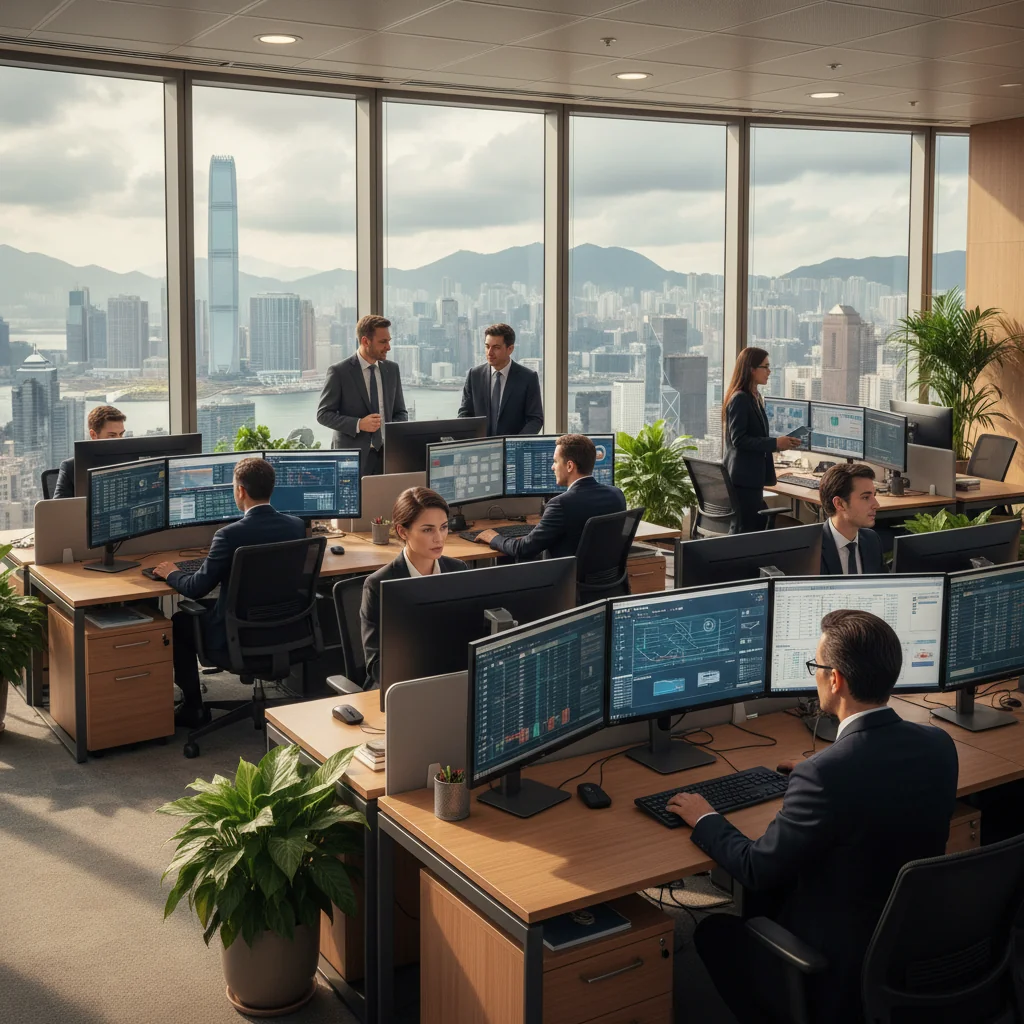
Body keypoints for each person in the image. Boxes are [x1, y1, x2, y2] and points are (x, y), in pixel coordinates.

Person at [668, 609, 958, 1024]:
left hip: (836, 971)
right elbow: (873, 777)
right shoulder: (938, 743)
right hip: (910, 948)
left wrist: (705, 817)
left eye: (817, 667)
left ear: (835, 679)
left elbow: (755, 867)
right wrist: (825, 765)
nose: (815, 676)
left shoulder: (826, 774)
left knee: (713, 931)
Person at [151, 457, 305, 727]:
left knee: (180, 621)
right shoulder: (295, 526)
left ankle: (193, 708)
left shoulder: (229, 535)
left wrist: (171, 572)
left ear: (240, 491)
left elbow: (197, 588)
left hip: (238, 637)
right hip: (286, 631)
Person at [360, 487, 468, 690]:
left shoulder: (457, 570)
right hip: (401, 687)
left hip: (451, 680)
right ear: (402, 531)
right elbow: (376, 666)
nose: (439, 538)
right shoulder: (378, 586)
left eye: (443, 527)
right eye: (428, 530)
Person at [471, 433, 625, 560]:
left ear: (570, 466)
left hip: (567, 587)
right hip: (608, 584)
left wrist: (494, 537)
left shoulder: (561, 505)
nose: (552, 467)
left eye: (555, 461)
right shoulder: (617, 495)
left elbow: (523, 549)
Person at [316, 314, 408, 475]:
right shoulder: (339, 372)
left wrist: (392, 434)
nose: (388, 347)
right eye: (383, 342)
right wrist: (358, 424)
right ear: (366, 341)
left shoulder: (392, 369)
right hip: (351, 459)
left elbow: (400, 412)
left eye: (389, 341)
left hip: (387, 456)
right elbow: (323, 414)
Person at [722, 348, 802, 532]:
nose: (769, 371)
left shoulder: (754, 398)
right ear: (751, 369)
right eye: (765, 367)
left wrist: (781, 443)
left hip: (751, 480)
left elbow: (756, 436)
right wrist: (775, 444)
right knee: (751, 532)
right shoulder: (740, 399)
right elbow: (739, 439)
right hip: (743, 482)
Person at [458, 323, 543, 436]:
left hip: (513, 449)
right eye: (487, 346)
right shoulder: (474, 375)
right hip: (480, 448)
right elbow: (465, 414)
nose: (489, 352)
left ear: (510, 349)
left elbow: (535, 419)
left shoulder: (528, 378)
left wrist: (516, 444)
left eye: (496, 348)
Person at [818, 462, 884, 574]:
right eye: (866, 497)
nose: (876, 504)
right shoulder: (813, 549)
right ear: (839, 504)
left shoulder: (871, 540)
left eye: (874, 495)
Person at [52, 404, 127, 499]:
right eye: (112, 435)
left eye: (121, 434)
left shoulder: (132, 462)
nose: (119, 440)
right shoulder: (71, 467)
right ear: (93, 435)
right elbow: (58, 509)